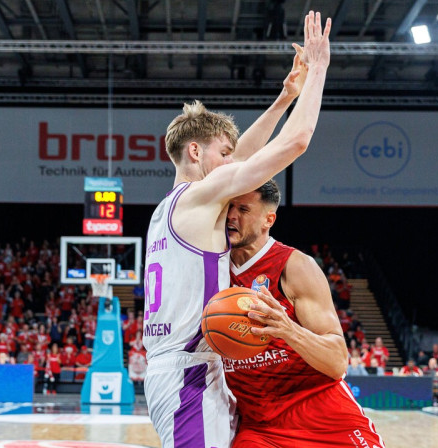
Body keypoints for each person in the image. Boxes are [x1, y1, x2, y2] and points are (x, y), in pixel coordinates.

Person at [142, 11, 332, 448]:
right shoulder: (200, 198)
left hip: (181, 367)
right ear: (195, 150)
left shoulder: (170, 207)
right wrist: (319, 68)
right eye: (222, 152)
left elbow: (241, 159)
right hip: (188, 372)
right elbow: (297, 141)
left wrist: (284, 99)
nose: (233, 162)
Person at [226, 180, 384, 447]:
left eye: (243, 209)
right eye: (229, 206)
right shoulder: (211, 268)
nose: (231, 215)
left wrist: (288, 329)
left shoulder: (295, 266)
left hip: (322, 414)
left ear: (268, 219)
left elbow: (337, 362)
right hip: (261, 428)